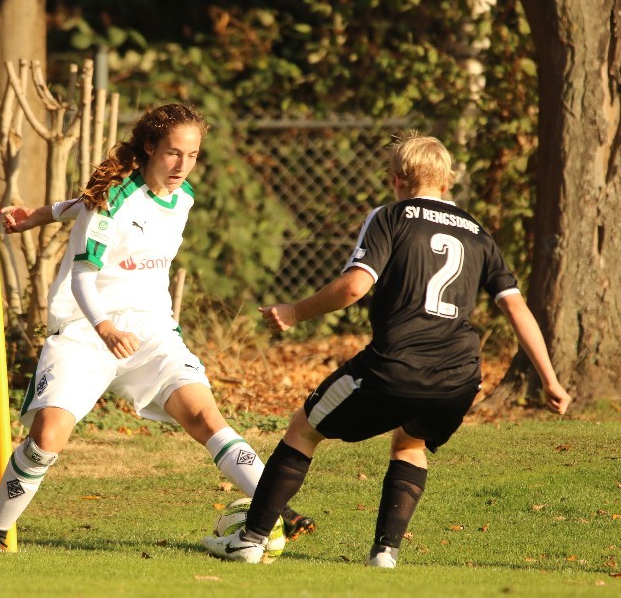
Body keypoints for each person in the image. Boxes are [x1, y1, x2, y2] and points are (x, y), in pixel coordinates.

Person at [201, 131, 573, 566]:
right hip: (459, 377)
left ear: (396, 177)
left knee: (303, 428)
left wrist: (295, 311)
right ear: (447, 182)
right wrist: (550, 379)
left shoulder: (392, 216)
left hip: (396, 365)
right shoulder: (478, 232)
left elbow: (356, 285)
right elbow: (517, 309)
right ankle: (385, 553)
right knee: (410, 443)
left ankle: (250, 540)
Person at [0, 103, 314, 552]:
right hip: (86, 329)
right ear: (150, 147)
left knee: (206, 415)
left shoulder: (182, 198)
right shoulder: (112, 198)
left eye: (191, 155)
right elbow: (82, 271)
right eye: (173, 153)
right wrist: (106, 326)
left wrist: (41, 214)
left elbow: (80, 205)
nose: (182, 165)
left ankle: (273, 508)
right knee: (47, 436)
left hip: (151, 329)